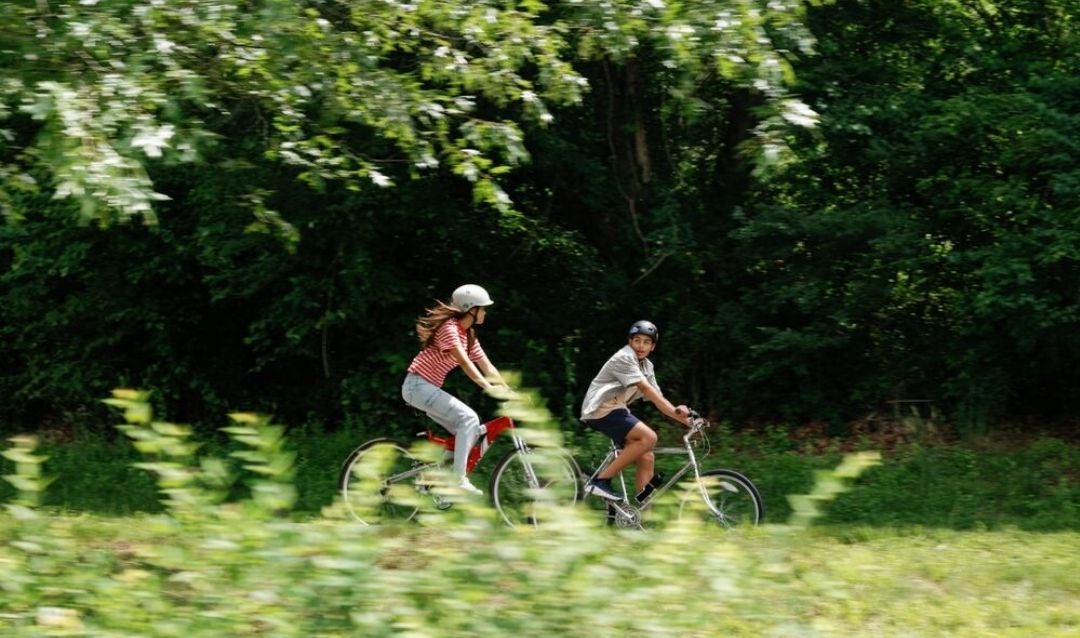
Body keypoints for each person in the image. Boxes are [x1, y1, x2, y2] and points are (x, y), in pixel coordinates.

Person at [401, 284, 507, 496]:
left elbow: (487, 367)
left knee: (470, 430)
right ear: (471, 309)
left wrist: (508, 390)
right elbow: (466, 364)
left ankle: (433, 478)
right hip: (418, 386)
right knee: (468, 419)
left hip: (425, 389)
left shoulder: (468, 336)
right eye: (483, 308)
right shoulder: (450, 329)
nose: (485, 312)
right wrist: (488, 388)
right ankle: (458, 480)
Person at [580, 320, 691, 502]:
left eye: (646, 342)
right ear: (630, 342)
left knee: (647, 457)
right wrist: (679, 417)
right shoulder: (624, 357)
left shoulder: (647, 366)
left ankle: (642, 518)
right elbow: (647, 390)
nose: (641, 346)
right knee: (649, 437)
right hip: (600, 408)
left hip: (617, 409)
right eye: (637, 340)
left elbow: (658, 398)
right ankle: (601, 481)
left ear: (653, 347)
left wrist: (683, 416)